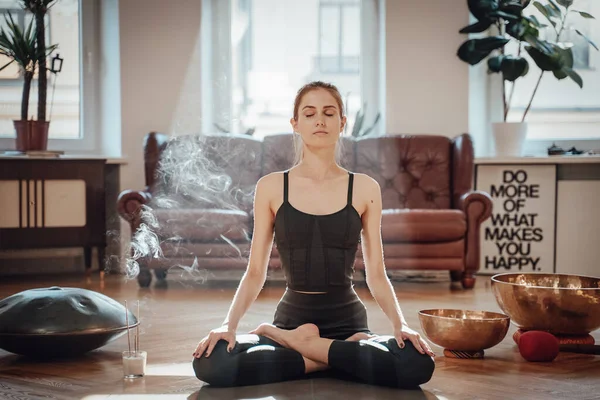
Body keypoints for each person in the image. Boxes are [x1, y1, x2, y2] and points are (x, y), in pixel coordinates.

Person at [192, 81, 435, 389]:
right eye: (309, 113)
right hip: (293, 319)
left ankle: (296, 346)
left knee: (418, 364)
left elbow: (376, 274)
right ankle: (336, 359)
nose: (320, 120)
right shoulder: (271, 187)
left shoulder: (364, 188)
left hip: (348, 324)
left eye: (329, 112)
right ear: (296, 124)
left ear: (341, 123)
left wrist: (401, 326)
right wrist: (229, 325)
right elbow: (255, 272)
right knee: (212, 363)